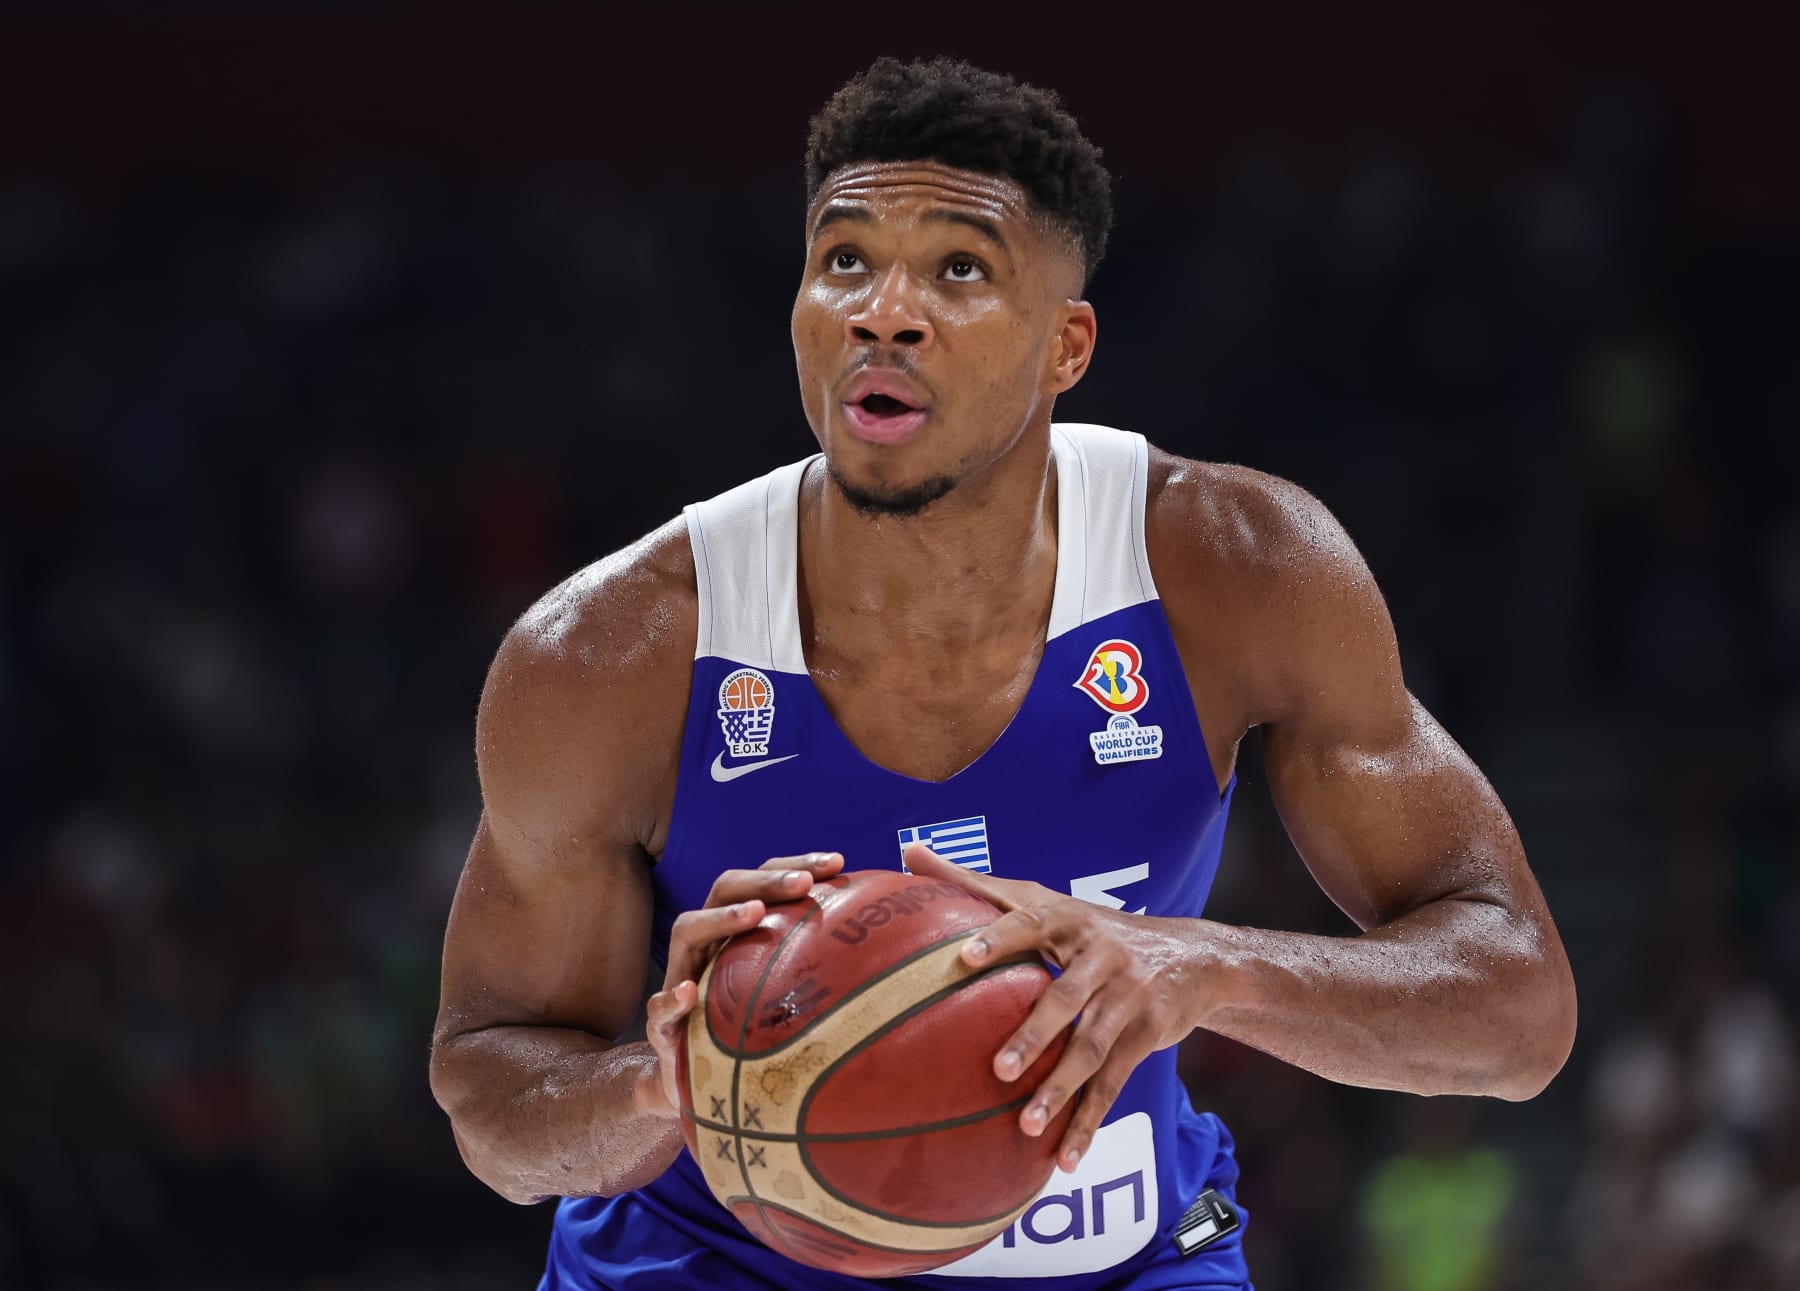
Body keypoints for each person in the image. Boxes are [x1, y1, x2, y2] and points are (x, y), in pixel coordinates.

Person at [428, 56, 1578, 1291]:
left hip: (1125, 1256)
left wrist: (1200, 967)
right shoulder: (611, 654)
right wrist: (661, 1082)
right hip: (714, 1263)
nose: (884, 311)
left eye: (959, 270)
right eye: (846, 260)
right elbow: (492, 1109)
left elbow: (1518, 1012)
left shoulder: (1236, 569)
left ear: (1065, 345)